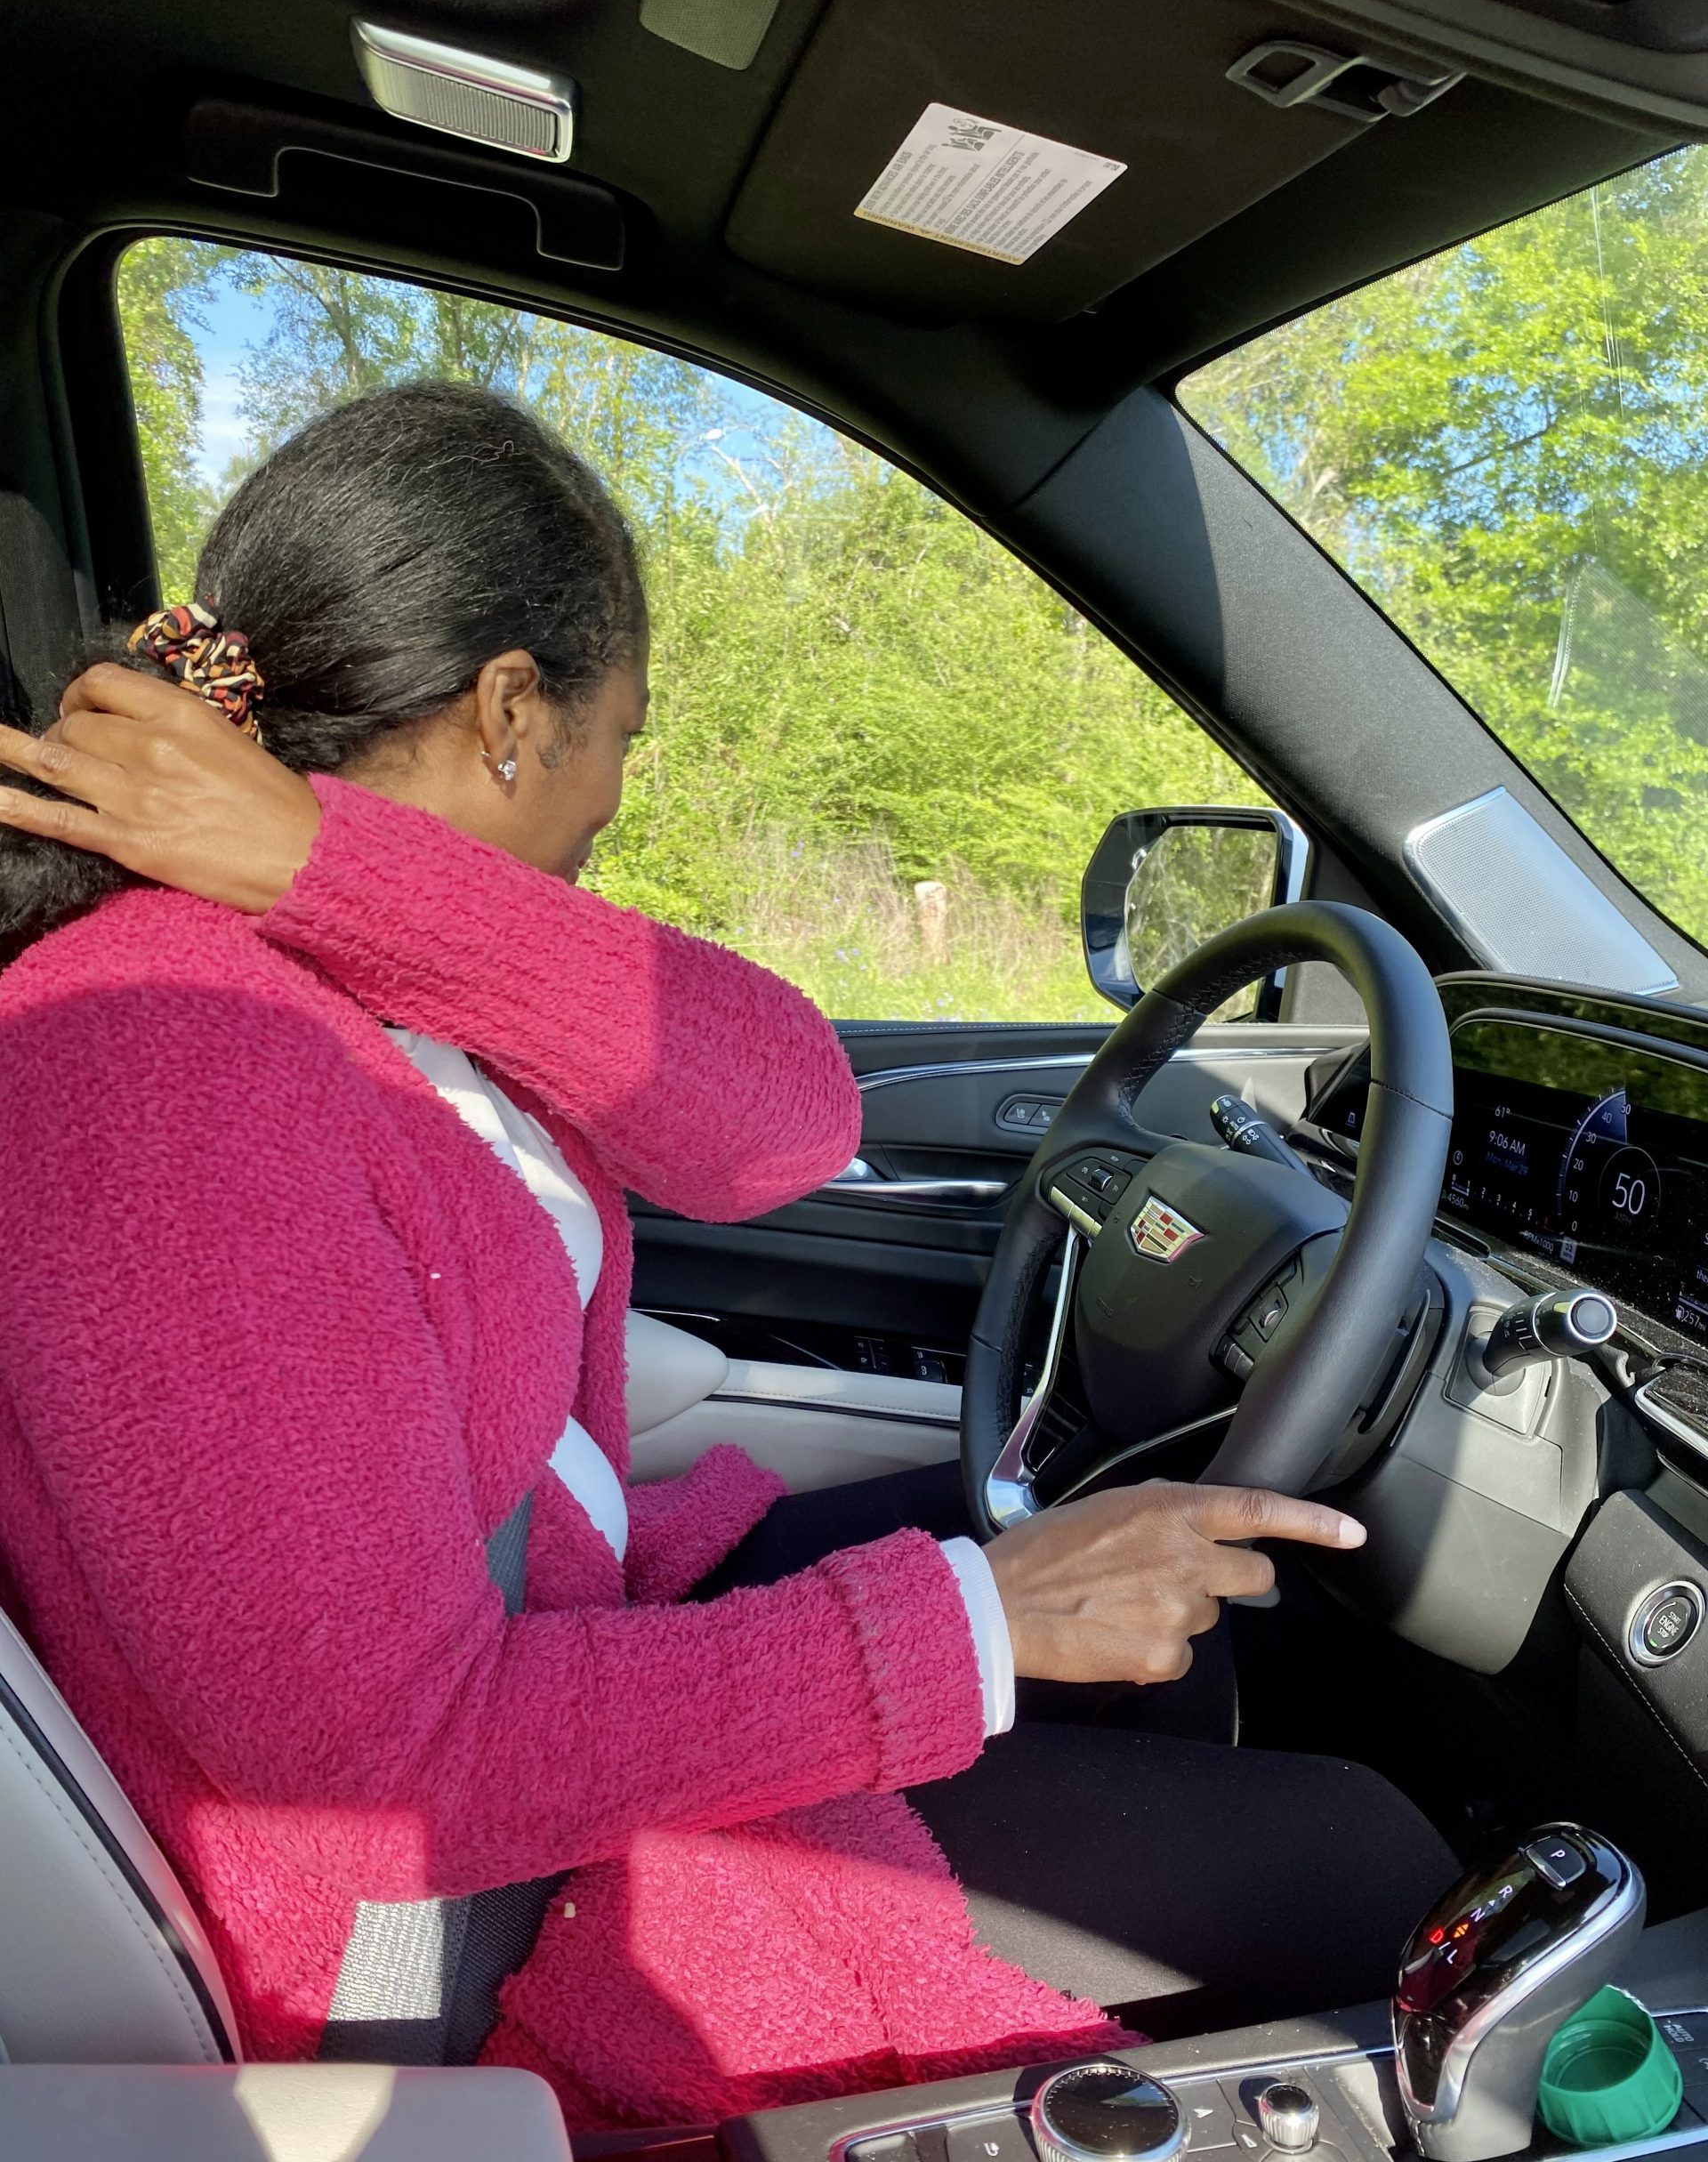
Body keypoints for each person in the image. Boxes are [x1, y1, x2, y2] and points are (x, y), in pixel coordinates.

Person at [0, 383, 1454, 2129]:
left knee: (1174, 1624)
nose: (619, 791)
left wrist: (330, 864)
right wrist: (985, 1619)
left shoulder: (356, 957)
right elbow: (378, 1773)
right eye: (621, 732)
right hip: (450, 1933)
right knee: (1366, 1865)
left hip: (555, 1647)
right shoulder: (164, 1065)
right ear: (510, 709)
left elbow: (780, 1116)